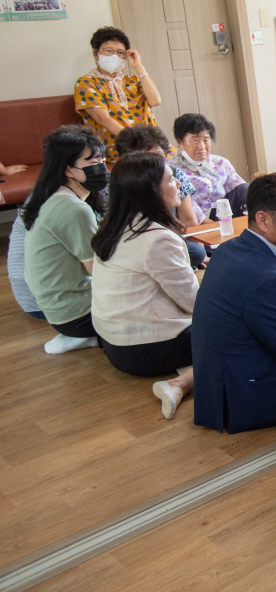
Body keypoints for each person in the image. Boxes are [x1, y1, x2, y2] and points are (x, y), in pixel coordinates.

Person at [192, 172, 276, 434]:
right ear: (263, 220)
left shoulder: (228, 249)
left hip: (219, 386)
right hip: (248, 396)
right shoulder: (268, 278)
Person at [89, 152, 198, 419]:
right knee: (238, 328)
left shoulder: (115, 226)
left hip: (114, 343)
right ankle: (180, 384)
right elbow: (195, 303)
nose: (179, 184)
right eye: (171, 180)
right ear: (150, 190)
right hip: (144, 350)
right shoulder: (157, 238)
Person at [23, 125, 108, 354]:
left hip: (61, 311)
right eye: (93, 162)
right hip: (78, 315)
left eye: (102, 160)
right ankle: (91, 336)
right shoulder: (72, 208)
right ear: (68, 170)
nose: (101, 167)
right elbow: (100, 272)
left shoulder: (56, 197)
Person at [114, 125, 206, 269]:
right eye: (151, 159)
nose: (160, 164)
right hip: (137, 240)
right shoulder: (125, 182)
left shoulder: (174, 174)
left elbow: (189, 220)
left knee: (197, 251)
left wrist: (203, 255)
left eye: (161, 158)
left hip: (171, 236)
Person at [73, 26, 161, 164]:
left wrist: (139, 68)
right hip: (119, 148)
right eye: (108, 51)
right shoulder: (86, 83)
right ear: (95, 53)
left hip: (151, 145)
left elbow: (155, 100)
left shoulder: (133, 80)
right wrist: (137, 145)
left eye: (120, 52)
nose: (114, 56)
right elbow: (103, 119)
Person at [170, 113, 247, 219]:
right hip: (196, 218)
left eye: (206, 140)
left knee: (244, 189)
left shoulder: (220, 162)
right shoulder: (171, 169)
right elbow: (185, 208)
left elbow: (240, 191)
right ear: (180, 142)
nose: (202, 146)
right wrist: (216, 226)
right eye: (195, 141)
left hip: (226, 212)